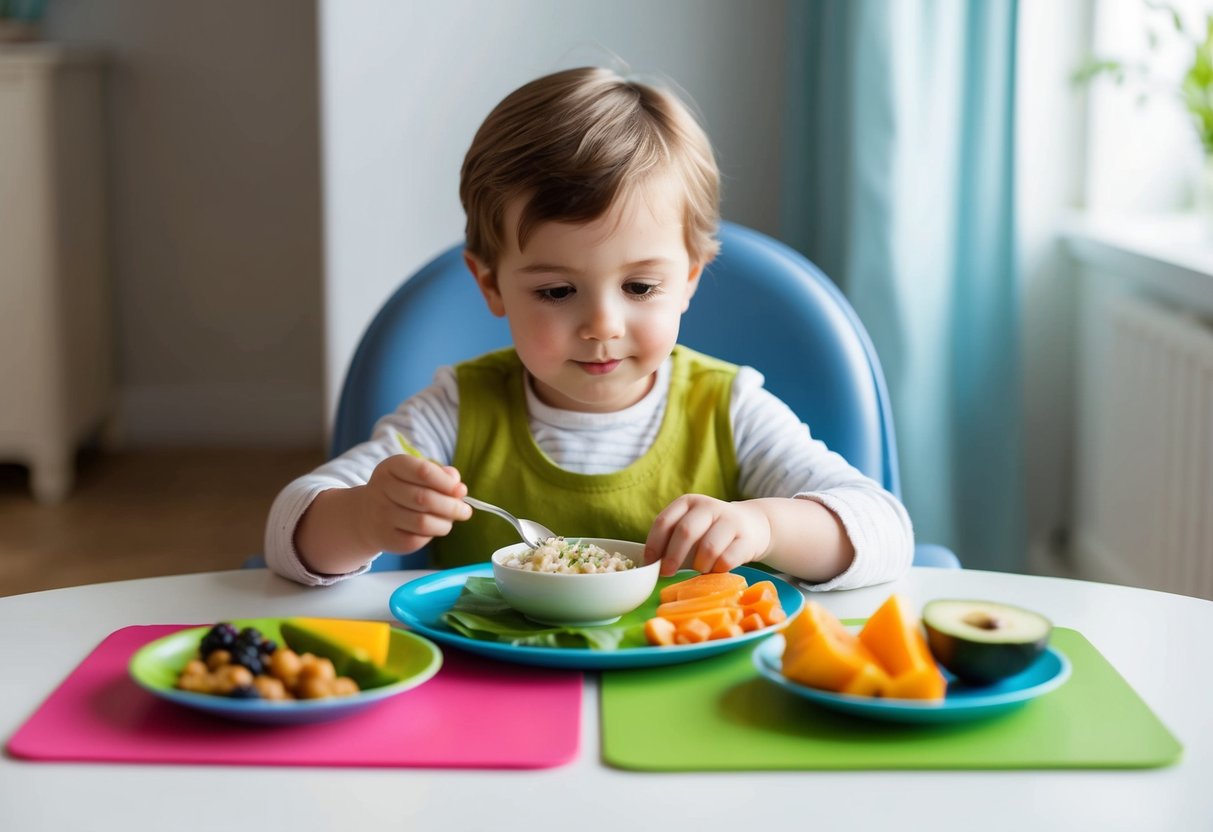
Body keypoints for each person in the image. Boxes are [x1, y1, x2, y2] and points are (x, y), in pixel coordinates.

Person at [265, 66, 913, 589]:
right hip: (496, 698)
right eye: (555, 291)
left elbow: (885, 529)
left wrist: (767, 526)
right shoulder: (454, 414)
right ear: (490, 284)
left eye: (639, 287)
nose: (602, 325)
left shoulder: (729, 410)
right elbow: (289, 535)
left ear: (689, 278)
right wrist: (362, 517)